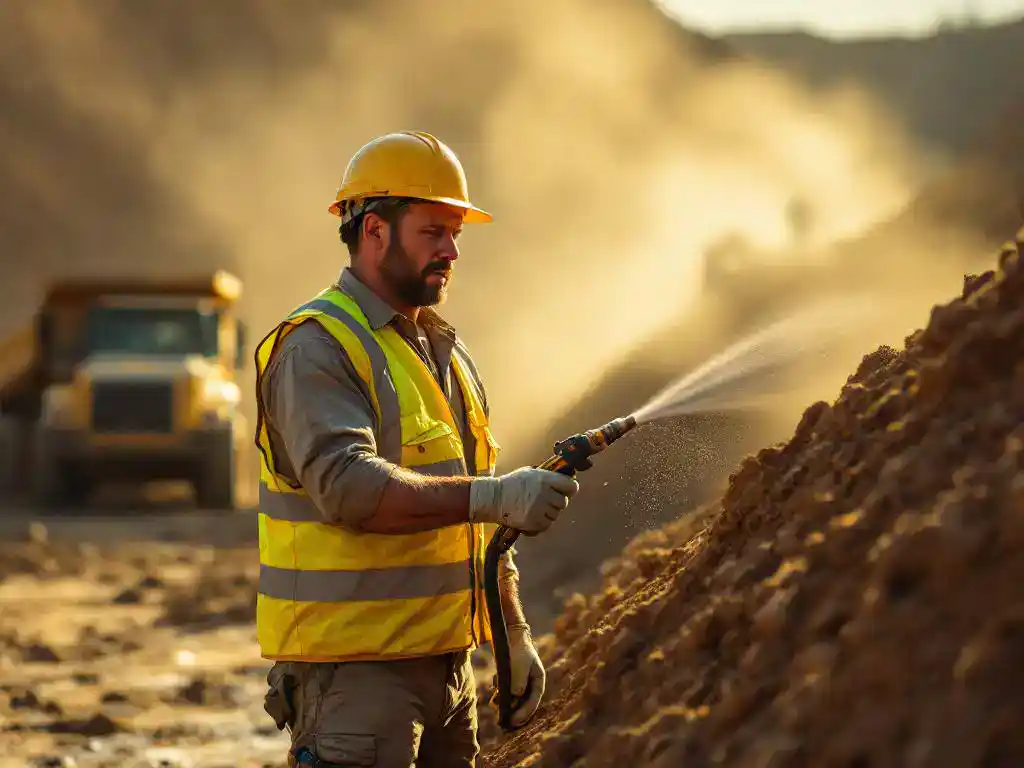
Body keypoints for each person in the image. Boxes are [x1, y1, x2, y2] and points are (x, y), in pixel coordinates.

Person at [255, 131, 580, 768]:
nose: (452, 251)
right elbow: (349, 488)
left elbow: (482, 524)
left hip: (448, 677)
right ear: (374, 230)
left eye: (456, 233)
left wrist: (510, 631)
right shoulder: (316, 347)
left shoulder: (446, 356)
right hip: (358, 685)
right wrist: (498, 496)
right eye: (434, 231)